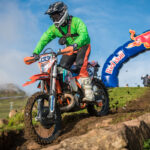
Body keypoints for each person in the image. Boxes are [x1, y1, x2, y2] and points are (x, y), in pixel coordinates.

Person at [33, 1, 94, 102]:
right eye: (52, 17)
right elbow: (44, 39)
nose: (54, 19)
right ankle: (68, 91)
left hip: (83, 46)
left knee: (80, 65)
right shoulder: (54, 28)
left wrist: (75, 44)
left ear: (63, 13)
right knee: (61, 69)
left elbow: (84, 34)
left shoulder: (76, 21)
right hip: (69, 49)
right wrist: (36, 53)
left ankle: (89, 94)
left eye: (56, 16)